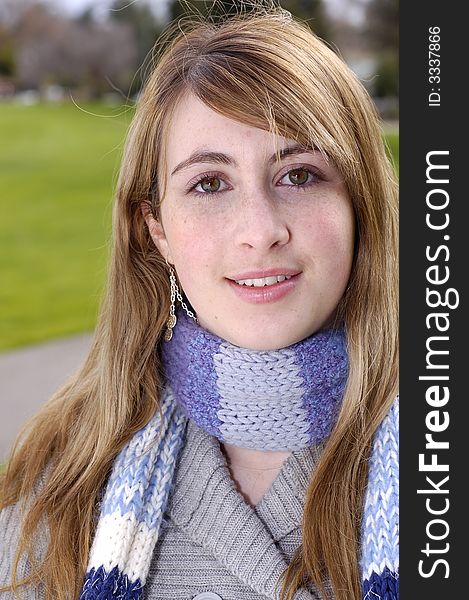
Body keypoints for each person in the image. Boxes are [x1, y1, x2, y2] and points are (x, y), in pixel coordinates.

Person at [0, 3, 399, 600]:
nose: (260, 230)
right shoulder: (55, 485)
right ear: (155, 229)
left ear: (358, 204)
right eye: (209, 183)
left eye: (299, 175)